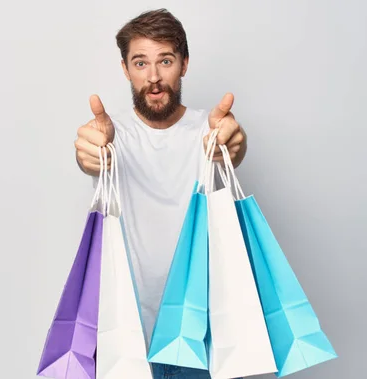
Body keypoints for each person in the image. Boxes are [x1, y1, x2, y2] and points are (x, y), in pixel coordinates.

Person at [74, 8, 247, 379]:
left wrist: (232, 144)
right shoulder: (111, 134)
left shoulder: (208, 129)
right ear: (125, 69)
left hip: (201, 332)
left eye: (165, 61)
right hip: (126, 334)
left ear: (183, 64)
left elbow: (232, 145)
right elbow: (90, 154)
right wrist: (88, 153)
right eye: (140, 63)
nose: (153, 77)